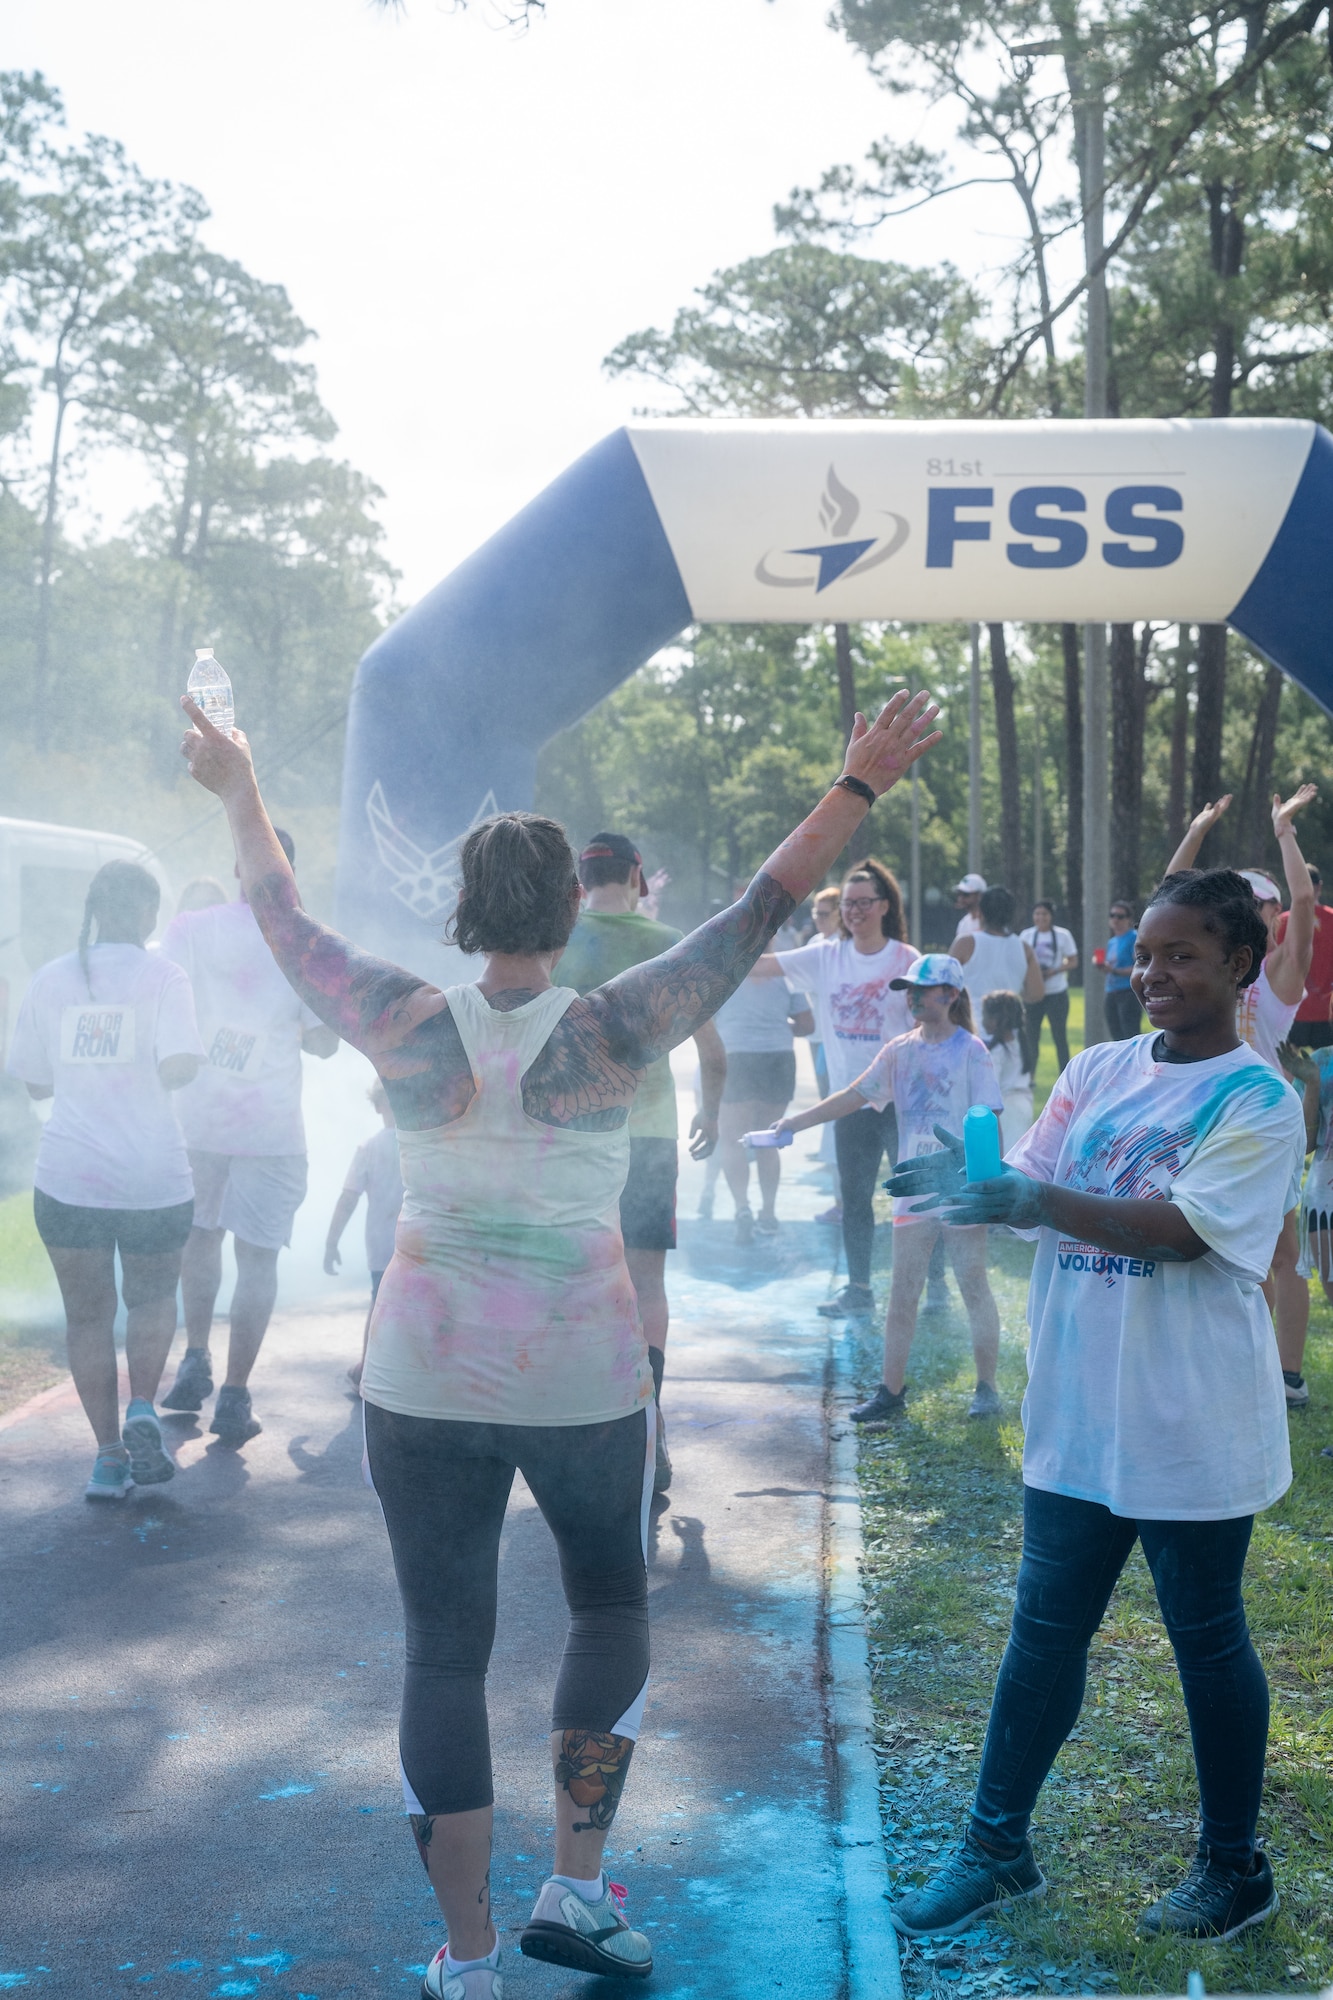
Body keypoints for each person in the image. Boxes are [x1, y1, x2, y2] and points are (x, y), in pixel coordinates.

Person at [179, 682, 940, 1996]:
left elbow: (279, 917)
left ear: (461, 915)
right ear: (576, 909)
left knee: (442, 1647)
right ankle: (575, 1889)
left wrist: (243, 786)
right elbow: (760, 904)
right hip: (583, 1377)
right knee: (605, 1604)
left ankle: (468, 1956)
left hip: (418, 1375)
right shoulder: (612, 1023)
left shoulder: (404, 1018)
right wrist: (858, 781)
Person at [883, 870, 1304, 1945]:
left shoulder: (1259, 1098)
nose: (1152, 973)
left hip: (1189, 1418)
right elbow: (1029, 1176)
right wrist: (975, 1179)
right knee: (1042, 1630)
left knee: (1206, 1638)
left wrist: (1036, 1196)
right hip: (1077, 1410)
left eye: (1182, 956)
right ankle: (995, 1844)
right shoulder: (1094, 1066)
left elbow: (1180, 1228)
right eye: (1144, 954)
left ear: (1239, 966)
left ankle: (1231, 1865)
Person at [5, 862, 204, 1500]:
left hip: (69, 1177)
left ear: (95, 911)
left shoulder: (50, 978)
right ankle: (143, 1403)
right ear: (147, 913)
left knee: (87, 1319)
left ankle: (108, 1457)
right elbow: (178, 1068)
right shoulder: (165, 976)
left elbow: (35, 1082)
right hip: (152, 1178)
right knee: (150, 1300)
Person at [553, 831, 726, 1495]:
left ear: (580, 879)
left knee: (574, 1282)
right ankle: (647, 1426)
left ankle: (578, 1429)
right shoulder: (669, 945)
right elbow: (712, 1052)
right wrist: (709, 1112)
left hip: (569, 1136)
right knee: (644, 1283)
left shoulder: (558, 938)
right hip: (648, 1136)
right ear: (637, 878)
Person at [158, 830, 340, 1445]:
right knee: (256, 1258)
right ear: (290, 873)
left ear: (235, 862)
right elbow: (324, 1041)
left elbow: (162, 1001)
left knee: (200, 1239)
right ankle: (234, 1393)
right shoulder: (304, 943)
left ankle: (196, 1358)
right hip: (269, 1130)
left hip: (200, 1119)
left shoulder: (190, 928)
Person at [773, 955, 1004, 1418]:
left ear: (952, 995)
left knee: (973, 1285)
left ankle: (987, 1389)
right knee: (902, 1292)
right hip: (914, 1188)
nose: (913, 996)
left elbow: (990, 1119)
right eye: (909, 989)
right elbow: (854, 1095)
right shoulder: (900, 1049)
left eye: (925, 989)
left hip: (960, 1188)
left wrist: (983, 1183)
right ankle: (890, 1393)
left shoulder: (971, 1051)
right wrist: (796, 1122)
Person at [1168, 788, 1317, 1406]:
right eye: (1247, 902)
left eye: (1265, 903)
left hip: (1265, 1121)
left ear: (1275, 915)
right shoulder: (1213, 965)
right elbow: (1172, 895)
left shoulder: (1281, 975)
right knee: (1222, 1253)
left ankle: (1286, 1376)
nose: (1257, 910)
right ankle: (1238, 1359)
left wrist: (1283, 830)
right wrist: (1197, 831)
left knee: (1282, 1255)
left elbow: (1306, 898)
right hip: (1203, 1114)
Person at [755, 858, 920, 1318]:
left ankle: (936, 1285)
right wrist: (716, 949)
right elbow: (762, 967)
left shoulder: (906, 960)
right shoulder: (826, 955)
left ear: (884, 906)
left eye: (864, 903)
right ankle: (860, 1290)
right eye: (848, 903)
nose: (854, 911)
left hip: (903, 1102)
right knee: (855, 1199)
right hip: (849, 1102)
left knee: (921, 1198)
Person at [710, 969, 814, 1241]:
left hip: (736, 1055)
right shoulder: (786, 974)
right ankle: (768, 1213)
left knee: (733, 1140)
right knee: (768, 1140)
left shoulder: (724, 972)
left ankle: (741, 1207)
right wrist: (776, 1025)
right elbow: (807, 1024)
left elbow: (706, 1020)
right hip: (777, 1057)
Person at [325, 1078, 403, 1390]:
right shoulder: (426, 1143)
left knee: (381, 1305)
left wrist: (332, 1242)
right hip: (419, 1245)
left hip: (383, 1246)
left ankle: (367, 1370)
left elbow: (348, 1199)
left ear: (377, 1104)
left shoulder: (369, 1147)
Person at [954, 888, 1044, 1048]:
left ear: (980, 912)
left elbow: (945, 983)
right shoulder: (1024, 948)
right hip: (1010, 1033)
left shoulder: (965, 944)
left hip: (971, 1029)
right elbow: (1036, 994)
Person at [1278, 862, 1333, 1049]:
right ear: (1319, 887)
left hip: (1291, 1007)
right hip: (1326, 1010)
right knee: (1327, 1070)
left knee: (1287, 1069)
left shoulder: (1282, 921)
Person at [1020, 900, 1077, 1071]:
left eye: (1044, 914)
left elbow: (1073, 961)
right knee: (1031, 1038)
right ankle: (1029, 1076)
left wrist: (1056, 970)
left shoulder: (1063, 935)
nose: (1040, 917)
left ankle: (1065, 1076)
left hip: (1056, 992)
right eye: (1037, 914)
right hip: (1033, 993)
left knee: (1060, 1037)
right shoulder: (1026, 936)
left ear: (1051, 916)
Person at [981, 990, 1033, 1147]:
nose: (983, 1021)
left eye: (985, 1016)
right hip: (1025, 1105)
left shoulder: (997, 1052)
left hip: (1006, 1111)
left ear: (995, 1020)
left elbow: (991, 1086)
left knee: (1006, 1156)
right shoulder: (1021, 1043)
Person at [1103, 902, 1141, 1039]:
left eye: (1120, 916)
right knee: (1115, 1035)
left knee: (1130, 1033)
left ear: (1129, 919)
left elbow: (1140, 965)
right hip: (1111, 991)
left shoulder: (1134, 937)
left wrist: (1113, 970)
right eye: (1112, 915)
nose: (1115, 920)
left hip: (1128, 991)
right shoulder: (1112, 941)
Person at [952, 872, 987, 938]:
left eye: (966, 894)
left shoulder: (992, 923)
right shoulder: (963, 923)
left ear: (980, 896)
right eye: (959, 893)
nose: (960, 899)